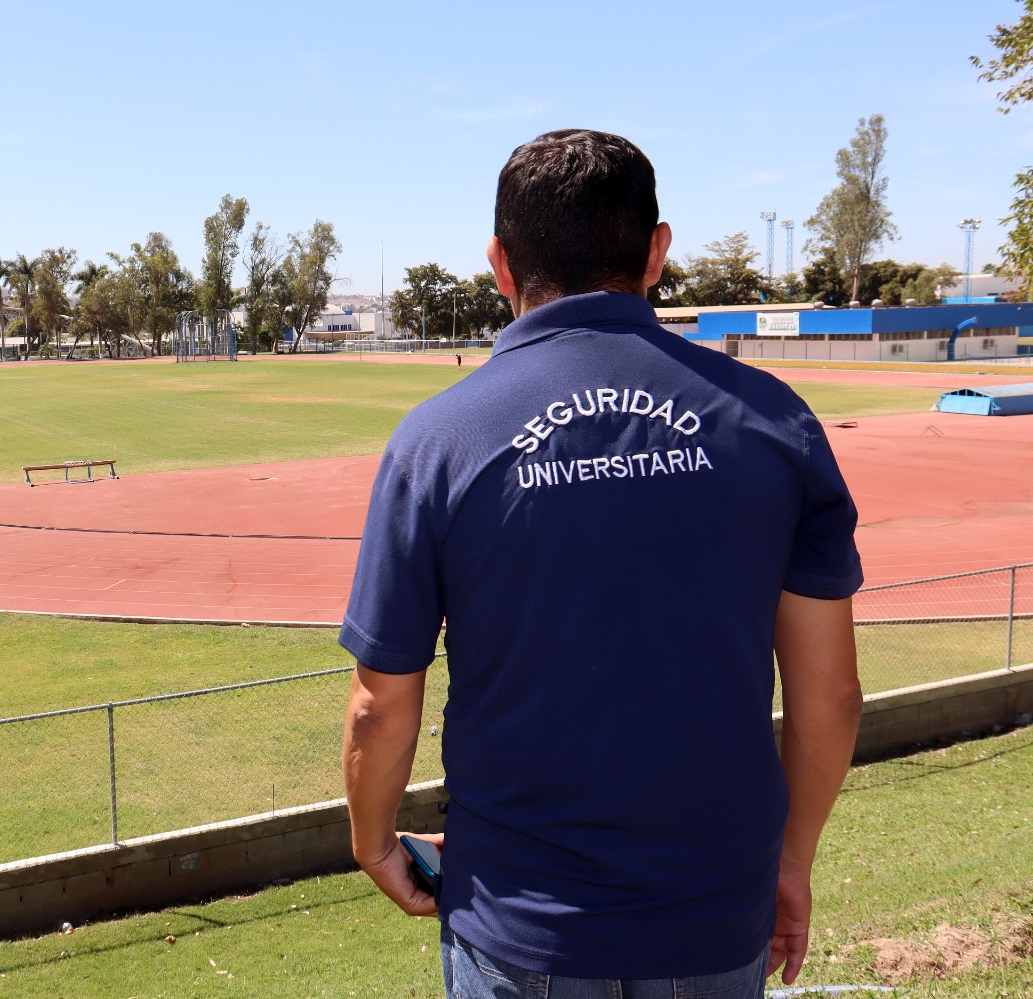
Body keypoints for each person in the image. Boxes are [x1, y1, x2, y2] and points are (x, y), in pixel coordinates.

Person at [339, 129, 864, 998]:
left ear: (500, 264)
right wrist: (791, 859)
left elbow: (378, 702)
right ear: (657, 252)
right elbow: (831, 697)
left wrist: (373, 841)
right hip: (716, 920)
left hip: (517, 930)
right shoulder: (777, 424)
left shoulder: (435, 443)